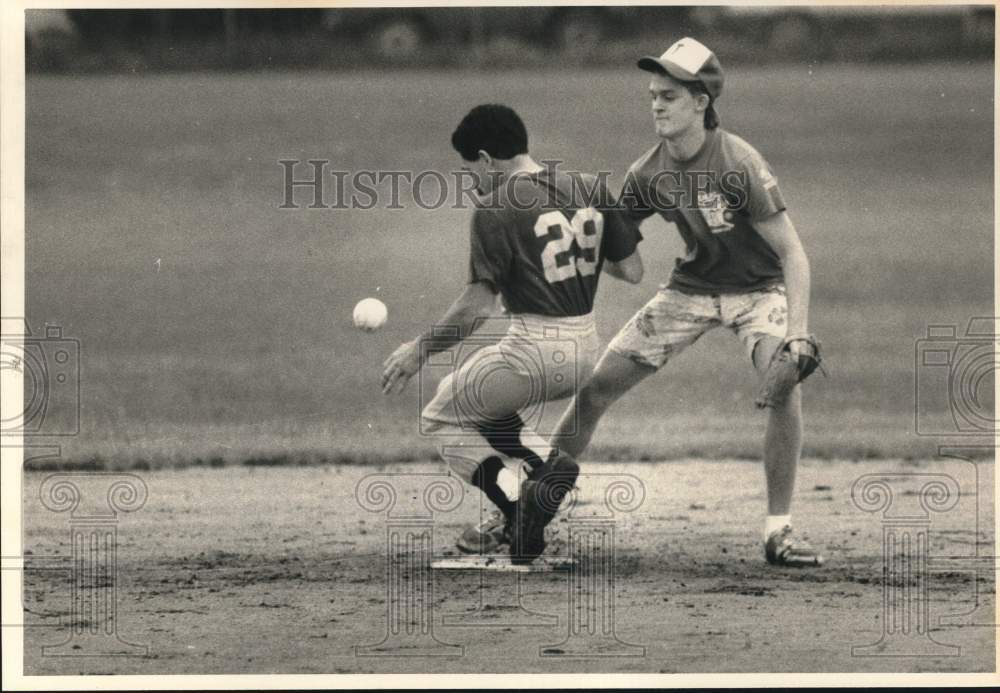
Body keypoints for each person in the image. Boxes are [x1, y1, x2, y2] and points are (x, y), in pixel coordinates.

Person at [550, 38, 824, 567]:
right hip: (690, 291)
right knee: (595, 389)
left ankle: (779, 529)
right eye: (653, 94)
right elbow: (622, 260)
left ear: (701, 102)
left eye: (669, 95)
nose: (656, 104)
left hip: (758, 292)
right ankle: (532, 506)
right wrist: (588, 232)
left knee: (783, 381)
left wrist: (798, 331)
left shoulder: (737, 163)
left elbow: (793, 253)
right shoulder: (648, 172)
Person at [381, 104, 643, 563]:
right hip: (584, 349)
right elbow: (631, 269)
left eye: (471, 171)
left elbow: (476, 308)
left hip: (533, 350)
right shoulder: (589, 186)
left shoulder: (495, 207)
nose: (473, 182)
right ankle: (544, 470)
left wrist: (418, 350)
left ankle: (520, 501)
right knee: (479, 402)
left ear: (486, 159)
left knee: (441, 417)